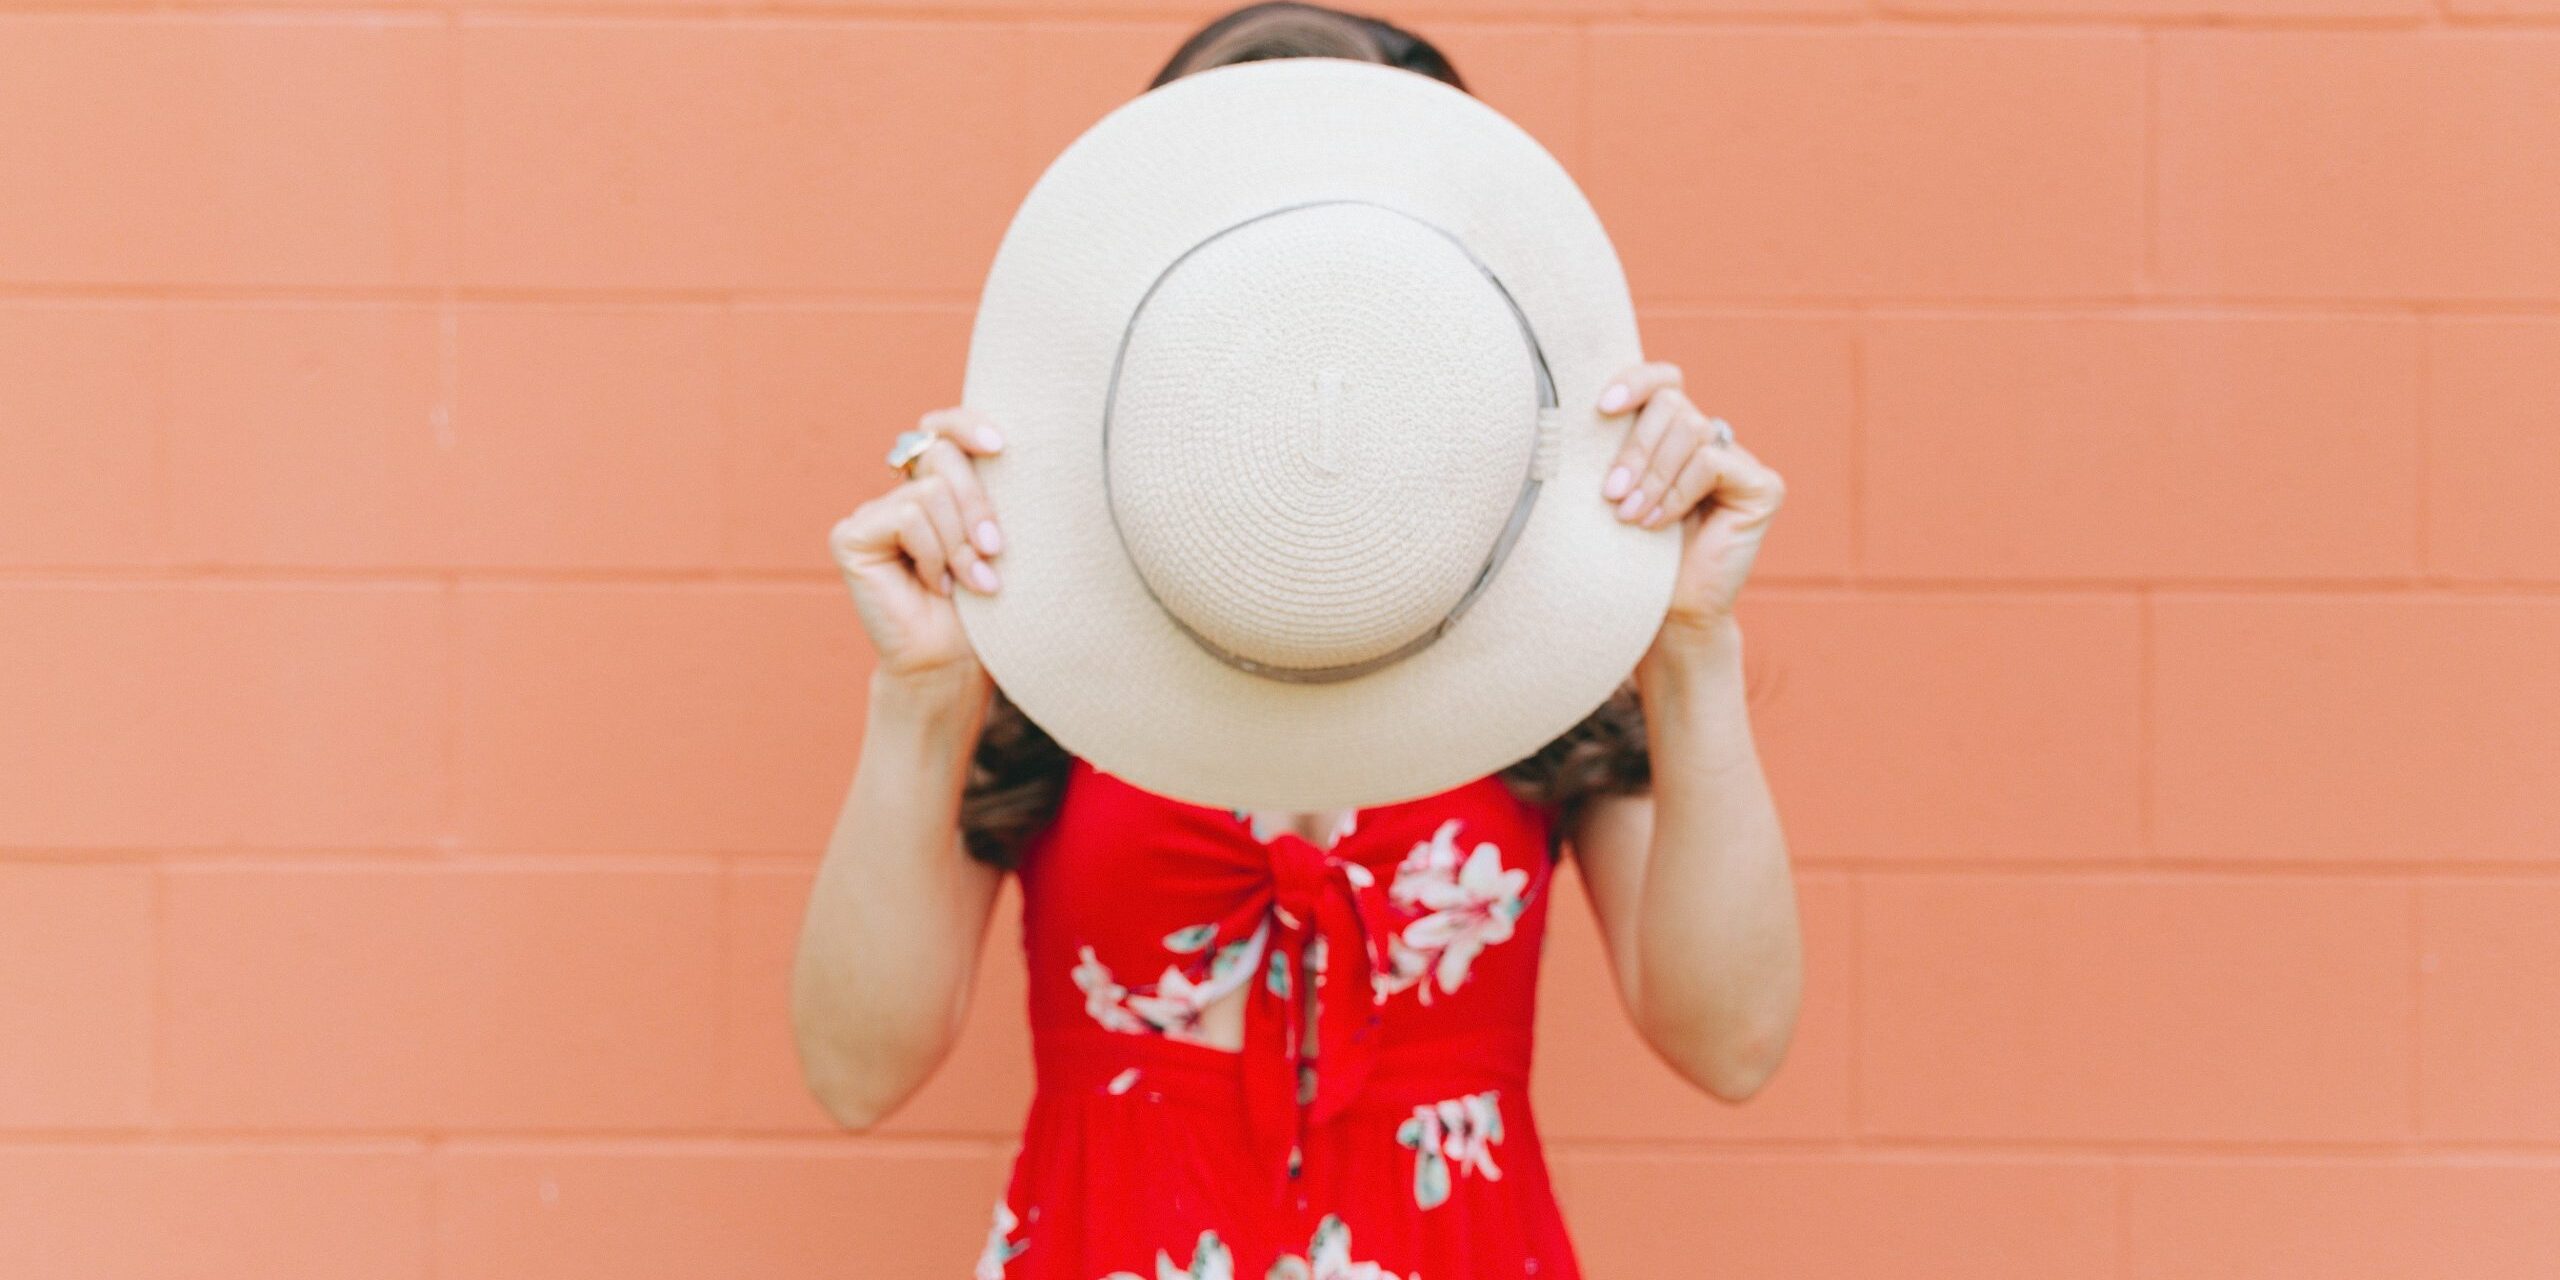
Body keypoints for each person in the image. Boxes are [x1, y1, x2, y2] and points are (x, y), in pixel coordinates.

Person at [794, 5, 1802, 1276]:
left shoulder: (1547, 639)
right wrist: (922, 691)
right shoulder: (1040, 630)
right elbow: (852, 1069)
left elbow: (1733, 1042)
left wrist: (1688, 642)